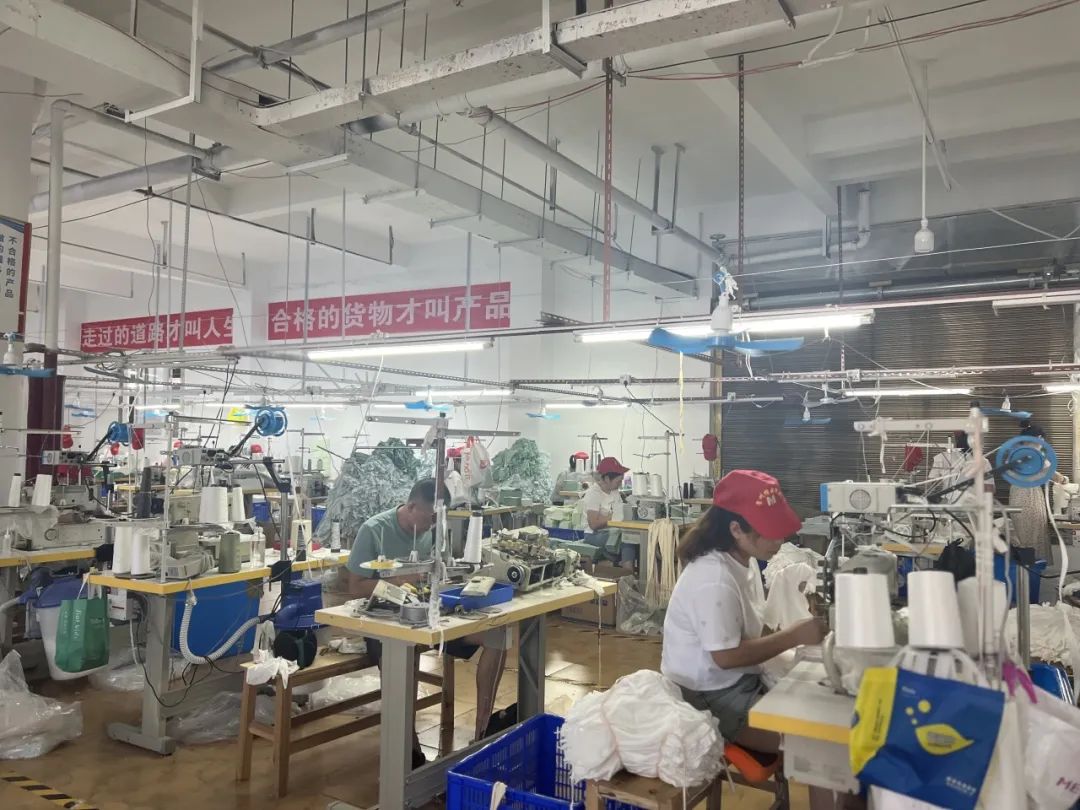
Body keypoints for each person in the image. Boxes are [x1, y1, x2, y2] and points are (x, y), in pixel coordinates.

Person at [661, 470, 843, 810]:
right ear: (736, 529)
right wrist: (795, 635)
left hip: (739, 680)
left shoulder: (743, 562)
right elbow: (725, 657)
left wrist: (798, 637)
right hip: (709, 697)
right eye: (770, 533)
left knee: (831, 717)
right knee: (823, 749)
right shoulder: (713, 578)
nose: (779, 541)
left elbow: (753, 631)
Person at [345, 478, 509, 764]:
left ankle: (482, 733)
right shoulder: (374, 530)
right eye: (430, 518)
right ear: (411, 507)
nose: (433, 525)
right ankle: (409, 750)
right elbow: (355, 586)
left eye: (437, 520)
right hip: (386, 621)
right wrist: (399, 581)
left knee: (497, 635)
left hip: (428, 616)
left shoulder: (432, 531)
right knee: (403, 654)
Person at [1008, 420, 1068, 562]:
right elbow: (1052, 474)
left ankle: (1023, 563)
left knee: (1021, 532)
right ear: (1037, 438)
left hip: (1016, 494)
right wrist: (1064, 479)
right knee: (1034, 530)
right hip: (1030, 496)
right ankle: (1034, 563)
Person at [580, 456, 635, 568]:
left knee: (634, 539)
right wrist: (611, 517)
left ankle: (626, 569)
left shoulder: (614, 492)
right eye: (618, 481)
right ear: (606, 479)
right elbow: (594, 524)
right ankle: (627, 572)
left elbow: (620, 512)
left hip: (612, 531)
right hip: (593, 535)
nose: (620, 484)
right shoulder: (594, 494)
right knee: (627, 540)